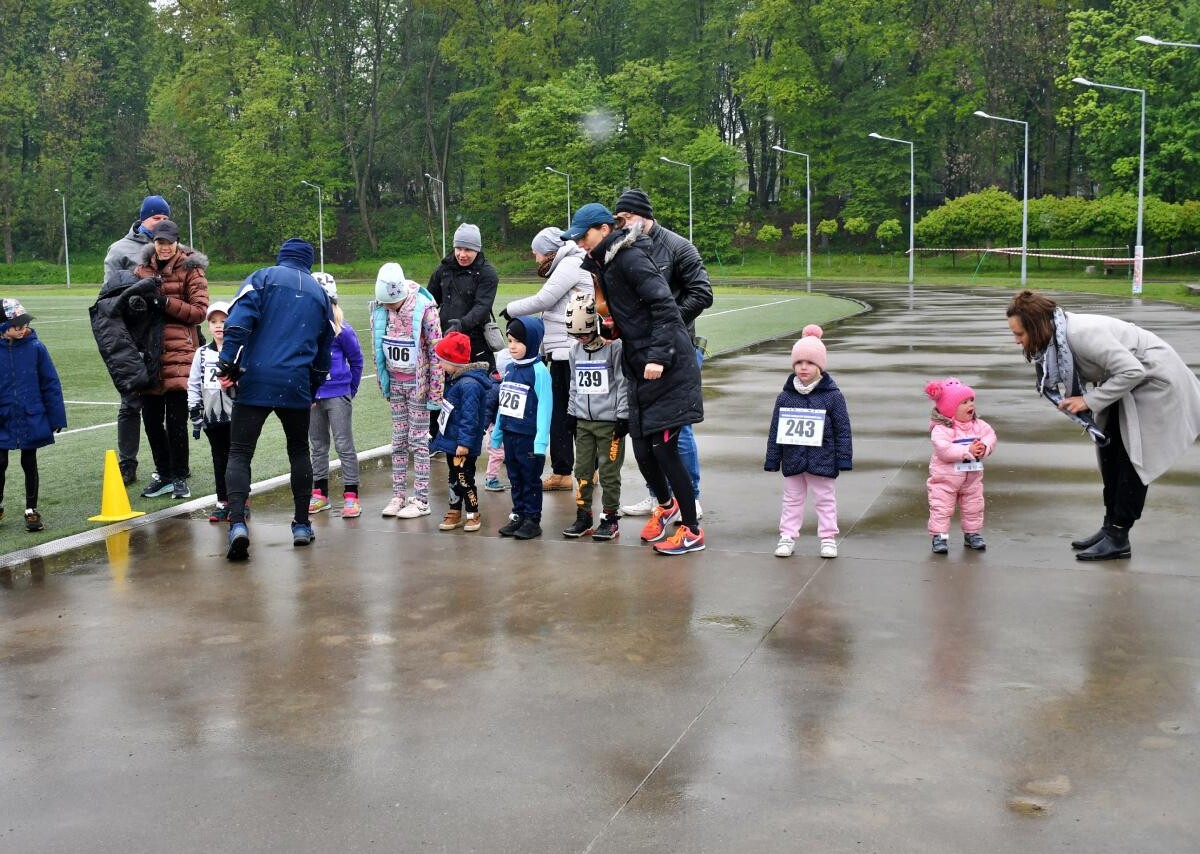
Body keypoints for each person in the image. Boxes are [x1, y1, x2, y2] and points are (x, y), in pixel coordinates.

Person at [1006, 290, 1200, 561]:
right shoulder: (1057, 336)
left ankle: (1119, 536)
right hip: (1125, 386)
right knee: (1110, 454)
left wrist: (1088, 400)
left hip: (1156, 383)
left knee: (1132, 460)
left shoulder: (1082, 334)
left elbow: (1133, 370)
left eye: (1020, 334)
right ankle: (1110, 527)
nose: (1017, 341)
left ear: (1038, 326)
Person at [569, 202, 705, 555]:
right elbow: (633, 313)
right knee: (643, 448)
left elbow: (664, 307)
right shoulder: (605, 264)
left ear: (604, 229)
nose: (579, 243)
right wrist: (614, 328)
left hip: (668, 366)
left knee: (665, 449)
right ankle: (666, 505)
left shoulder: (629, 258)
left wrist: (658, 356)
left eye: (583, 236)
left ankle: (692, 530)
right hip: (639, 365)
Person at [218, 238, 334, 561]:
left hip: (255, 378)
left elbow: (237, 322)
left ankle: (237, 523)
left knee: (239, 453)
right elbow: (324, 350)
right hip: (296, 382)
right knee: (298, 450)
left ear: (281, 256)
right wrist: (312, 387)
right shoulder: (319, 294)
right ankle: (301, 524)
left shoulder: (262, 277)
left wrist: (227, 364)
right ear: (308, 262)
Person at [613, 189, 713, 520]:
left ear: (644, 215)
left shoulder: (678, 247)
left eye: (627, 217)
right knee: (647, 428)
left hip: (677, 349)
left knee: (677, 427)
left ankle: (691, 497)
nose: (622, 223)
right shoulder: (625, 248)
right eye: (619, 219)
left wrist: (665, 325)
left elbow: (702, 293)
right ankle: (659, 495)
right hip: (641, 352)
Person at [502, 226, 594, 491]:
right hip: (567, 349)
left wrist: (511, 310)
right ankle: (586, 470)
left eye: (537, 253)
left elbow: (544, 300)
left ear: (549, 251)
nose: (536, 259)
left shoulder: (569, 264)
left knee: (563, 413)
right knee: (575, 411)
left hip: (568, 352)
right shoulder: (571, 262)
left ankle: (567, 472)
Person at [132, 219, 209, 500]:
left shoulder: (192, 269)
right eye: (159, 242)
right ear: (153, 243)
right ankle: (163, 474)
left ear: (177, 243)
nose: (164, 248)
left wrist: (164, 303)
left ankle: (179, 476)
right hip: (149, 354)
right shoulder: (141, 269)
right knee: (151, 420)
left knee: (176, 421)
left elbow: (200, 311)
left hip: (181, 353)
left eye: (168, 243)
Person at [102, 194, 173, 485]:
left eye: (165, 218)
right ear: (143, 218)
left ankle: (171, 464)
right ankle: (127, 464)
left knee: (169, 403)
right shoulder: (120, 249)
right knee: (131, 402)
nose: (161, 222)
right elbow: (108, 295)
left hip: (166, 335)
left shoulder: (173, 247)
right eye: (156, 217)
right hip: (134, 337)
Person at [764, 326, 852, 558]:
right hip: (793, 458)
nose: (804, 367)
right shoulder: (785, 396)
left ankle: (828, 538)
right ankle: (787, 536)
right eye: (799, 362)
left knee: (825, 500)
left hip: (823, 459)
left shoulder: (833, 396)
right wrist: (773, 459)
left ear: (820, 366)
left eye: (810, 363)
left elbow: (843, 429)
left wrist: (843, 458)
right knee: (791, 500)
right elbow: (776, 429)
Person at [370, 262, 443, 518]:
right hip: (395, 383)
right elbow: (378, 346)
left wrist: (435, 393)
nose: (389, 308)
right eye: (385, 304)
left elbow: (436, 351)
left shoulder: (425, 309)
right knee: (398, 440)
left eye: (393, 303)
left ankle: (421, 499)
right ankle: (398, 495)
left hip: (418, 386)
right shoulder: (380, 308)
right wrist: (384, 382)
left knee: (419, 441)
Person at [562, 291, 628, 541]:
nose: (581, 339)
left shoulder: (614, 348)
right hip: (583, 423)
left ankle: (610, 518)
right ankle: (583, 515)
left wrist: (623, 416)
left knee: (609, 473)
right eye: (576, 335)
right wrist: (571, 413)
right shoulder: (575, 351)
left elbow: (622, 383)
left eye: (585, 334)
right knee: (582, 471)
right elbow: (574, 384)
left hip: (609, 424)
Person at [0, 299, 67, 533]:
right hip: (3, 417)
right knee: (0, 462)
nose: (22, 329)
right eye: (16, 325)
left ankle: (31, 509)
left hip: (31, 416)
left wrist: (56, 417)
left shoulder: (36, 348)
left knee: (29, 462)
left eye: (24, 324)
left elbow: (50, 383)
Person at [306, 272, 364, 519]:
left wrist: (350, 389)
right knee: (318, 446)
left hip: (338, 395)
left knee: (343, 445)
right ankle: (320, 494)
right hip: (312, 398)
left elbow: (357, 360)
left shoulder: (343, 331)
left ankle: (351, 495)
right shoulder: (304, 330)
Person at [490, 316, 552, 540]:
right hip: (510, 434)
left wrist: (541, 441)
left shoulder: (539, 371)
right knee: (515, 478)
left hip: (529, 437)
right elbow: (503, 404)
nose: (512, 346)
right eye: (510, 341)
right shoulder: (510, 369)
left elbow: (545, 406)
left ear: (532, 342)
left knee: (530, 479)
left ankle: (532, 519)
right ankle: (518, 514)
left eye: (518, 341)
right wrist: (497, 433)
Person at [924, 378, 996, 555]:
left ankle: (972, 534)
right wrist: (967, 450)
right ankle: (940, 537)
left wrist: (984, 447)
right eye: (964, 402)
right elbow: (944, 450)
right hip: (945, 479)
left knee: (974, 507)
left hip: (972, 478)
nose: (970, 405)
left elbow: (990, 436)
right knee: (942, 509)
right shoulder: (942, 429)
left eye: (971, 400)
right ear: (950, 409)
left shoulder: (978, 425)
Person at [430, 331, 491, 533]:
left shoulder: (469, 385)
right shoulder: (455, 381)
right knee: (453, 477)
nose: (440, 365)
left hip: (462, 445)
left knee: (465, 479)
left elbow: (469, 418)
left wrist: (464, 443)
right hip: (452, 442)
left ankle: (473, 513)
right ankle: (454, 510)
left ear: (453, 362)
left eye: (442, 361)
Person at [188, 302, 238, 522]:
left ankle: (240, 501)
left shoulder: (239, 351)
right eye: (214, 322)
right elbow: (193, 384)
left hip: (236, 417)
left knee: (237, 459)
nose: (219, 326)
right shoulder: (201, 354)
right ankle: (222, 501)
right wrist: (194, 410)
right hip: (212, 417)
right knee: (219, 459)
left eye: (224, 321)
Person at [427, 223, 499, 373]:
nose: (462, 254)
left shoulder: (487, 273)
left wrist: (461, 325)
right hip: (446, 341)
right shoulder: (444, 269)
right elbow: (430, 299)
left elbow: (482, 307)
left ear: (477, 250)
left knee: (477, 383)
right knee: (446, 385)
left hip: (476, 342)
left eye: (468, 250)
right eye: (458, 248)